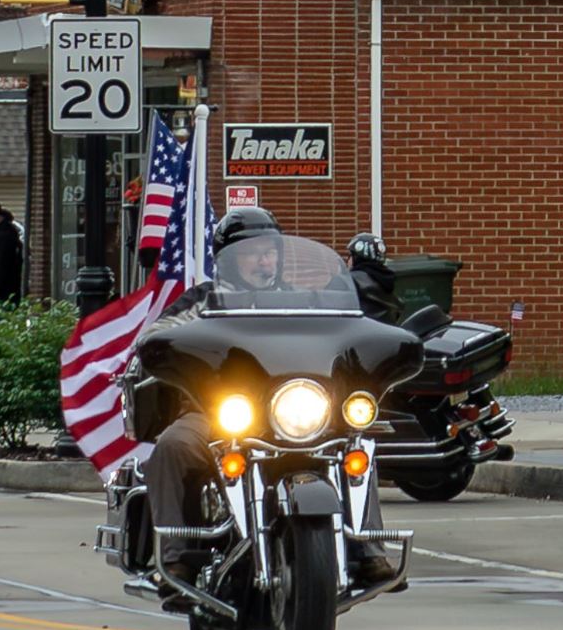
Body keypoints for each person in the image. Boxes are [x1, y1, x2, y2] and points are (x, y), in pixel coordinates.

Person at [142, 209, 396, 586]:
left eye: (270, 252)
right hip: (219, 414)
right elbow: (156, 336)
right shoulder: (203, 302)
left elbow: (349, 328)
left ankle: (366, 549)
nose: (264, 261)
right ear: (227, 259)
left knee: (354, 445)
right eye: (252, 253)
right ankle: (176, 558)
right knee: (172, 445)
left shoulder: (306, 302)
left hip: (294, 413)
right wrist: (172, 344)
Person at [346, 231, 401, 325]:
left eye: (350, 255)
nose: (347, 260)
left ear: (357, 257)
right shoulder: (386, 281)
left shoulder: (351, 280)